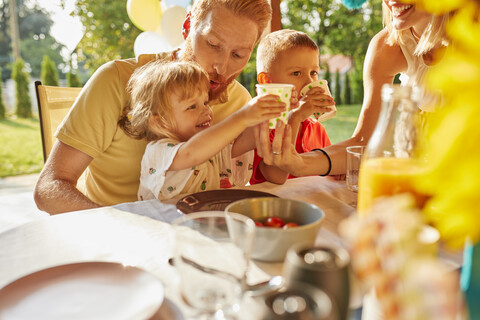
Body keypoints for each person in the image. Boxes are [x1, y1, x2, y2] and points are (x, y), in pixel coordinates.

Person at [34, 0, 272, 214]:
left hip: (197, 236)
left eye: (239, 54)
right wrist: (119, 227)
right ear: (187, 26)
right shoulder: (116, 80)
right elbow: (49, 187)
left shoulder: (240, 100)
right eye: (213, 44)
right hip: (114, 239)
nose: (222, 67)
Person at [255, 0, 450, 177]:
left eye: (314, 72)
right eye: (297, 73)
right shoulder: (387, 46)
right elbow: (363, 141)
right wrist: (302, 164)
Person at [118, 60, 285, 200]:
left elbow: (248, 139)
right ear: (160, 121)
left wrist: (279, 110)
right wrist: (242, 117)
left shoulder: (210, 147)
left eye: (205, 102)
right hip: (162, 233)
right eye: (192, 106)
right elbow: (191, 154)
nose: (206, 111)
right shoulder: (159, 152)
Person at [250, 29, 335, 185]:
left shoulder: (316, 129)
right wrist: (295, 117)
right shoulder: (260, 128)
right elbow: (276, 177)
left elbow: (329, 169)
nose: (310, 82)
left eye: (314, 72)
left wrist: (338, 172)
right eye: (296, 73)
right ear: (267, 81)